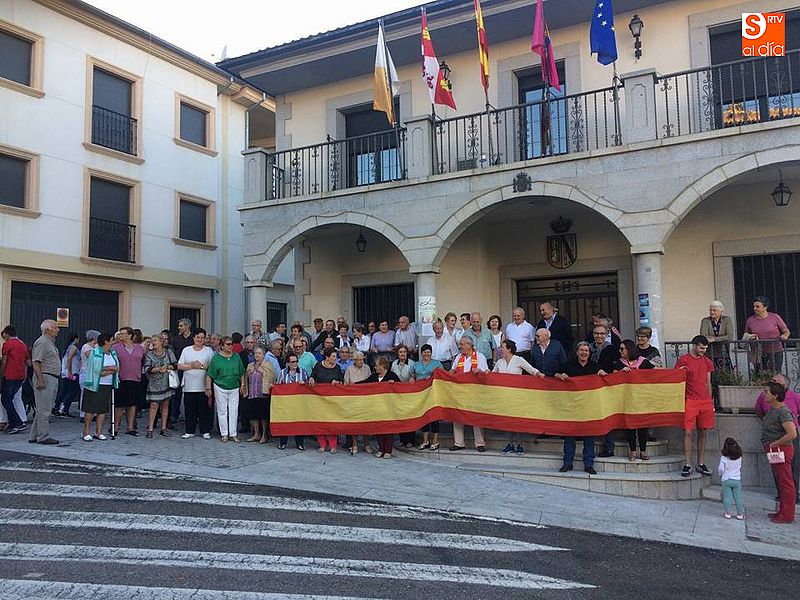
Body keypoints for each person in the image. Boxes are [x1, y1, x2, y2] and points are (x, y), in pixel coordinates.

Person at [555, 342, 604, 474]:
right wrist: (560, 376)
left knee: (589, 437)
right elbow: (555, 374)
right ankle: (567, 463)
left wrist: (602, 375)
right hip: (572, 407)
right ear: (577, 352)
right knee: (569, 436)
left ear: (589, 353)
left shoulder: (595, 367)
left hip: (589, 408)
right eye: (581, 350)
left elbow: (605, 379)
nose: (584, 353)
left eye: (586, 351)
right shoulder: (569, 365)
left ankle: (589, 464)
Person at [754, 374, 800, 503]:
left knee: (791, 470)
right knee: (778, 471)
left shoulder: (789, 403)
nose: (771, 383)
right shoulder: (765, 399)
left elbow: (791, 433)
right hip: (772, 440)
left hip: (784, 441)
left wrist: (776, 443)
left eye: (776, 381)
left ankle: (792, 498)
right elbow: (758, 410)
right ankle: (782, 495)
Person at [494, 339, 543, 455]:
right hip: (503, 396)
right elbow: (492, 375)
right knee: (506, 421)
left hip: (516, 396)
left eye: (503, 347)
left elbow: (531, 370)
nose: (501, 349)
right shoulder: (499, 362)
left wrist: (539, 374)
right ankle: (509, 443)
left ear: (509, 349)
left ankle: (520, 444)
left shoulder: (518, 360)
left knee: (516, 421)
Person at [676, 335, 715, 478]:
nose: (703, 351)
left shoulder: (707, 362)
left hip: (705, 400)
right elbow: (677, 379)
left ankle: (700, 462)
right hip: (690, 399)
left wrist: (710, 401)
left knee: (703, 432)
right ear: (694, 345)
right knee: (687, 432)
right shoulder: (684, 360)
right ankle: (687, 463)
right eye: (701, 348)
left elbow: (708, 382)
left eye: (705, 348)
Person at [760, 381, 798, 523]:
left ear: (775, 396)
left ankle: (787, 515)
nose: (764, 394)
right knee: (780, 480)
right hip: (774, 449)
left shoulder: (783, 411)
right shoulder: (773, 409)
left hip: (781, 449)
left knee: (786, 481)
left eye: (767, 392)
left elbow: (792, 433)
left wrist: (775, 444)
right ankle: (782, 511)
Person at [613, 339, 655, 461]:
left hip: (641, 399)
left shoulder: (643, 362)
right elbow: (612, 380)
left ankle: (643, 451)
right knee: (630, 426)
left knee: (642, 426)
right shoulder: (619, 364)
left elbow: (655, 375)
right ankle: (633, 451)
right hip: (626, 400)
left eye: (622, 349)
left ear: (629, 349)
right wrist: (621, 373)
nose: (620, 351)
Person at [449, 336, 488, 452]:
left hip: (474, 392)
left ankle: (480, 443)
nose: (460, 346)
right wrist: (445, 374)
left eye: (462, 344)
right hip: (460, 391)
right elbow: (453, 370)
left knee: (476, 416)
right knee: (457, 415)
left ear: (469, 345)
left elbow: (486, 373)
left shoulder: (480, 356)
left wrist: (478, 372)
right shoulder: (458, 357)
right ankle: (459, 443)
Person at [206, 336, 245, 443]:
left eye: (231, 344)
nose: (230, 346)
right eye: (228, 344)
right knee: (222, 410)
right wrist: (208, 387)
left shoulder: (236, 357)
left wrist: (242, 384)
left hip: (234, 387)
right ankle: (224, 434)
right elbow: (210, 374)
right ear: (222, 346)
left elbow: (241, 372)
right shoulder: (216, 358)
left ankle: (233, 433)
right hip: (220, 386)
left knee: (234, 410)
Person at [358, 357, 400, 458]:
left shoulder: (392, 375)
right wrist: (349, 385)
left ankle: (388, 451)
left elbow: (401, 387)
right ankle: (381, 449)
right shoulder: (373, 377)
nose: (375, 367)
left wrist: (394, 384)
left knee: (388, 430)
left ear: (382, 366)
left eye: (376, 365)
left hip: (388, 408)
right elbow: (363, 384)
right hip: (376, 407)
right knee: (379, 429)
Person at [178, 328, 215, 440]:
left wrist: (202, 367)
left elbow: (212, 366)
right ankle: (190, 430)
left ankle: (205, 430)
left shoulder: (208, 351)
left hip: (203, 385)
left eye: (202, 338)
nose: (200, 339)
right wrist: (191, 366)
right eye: (198, 337)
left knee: (204, 409)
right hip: (189, 385)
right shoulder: (186, 350)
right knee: (190, 409)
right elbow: (180, 365)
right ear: (194, 338)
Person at [81, 332, 118, 442]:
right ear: (106, 341)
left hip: (107, 384)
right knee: (91, 409)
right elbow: (97, 370)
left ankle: (98, 431)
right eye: (112, 339)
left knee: (102, 410)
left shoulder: (112, 353)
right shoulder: (95, 352)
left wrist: (108, 369)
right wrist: (110, 369)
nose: (113, 342)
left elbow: (117, 367)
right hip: (95, 384)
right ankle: (86, 431)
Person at [29, 319, 61, 445]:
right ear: (48, 329)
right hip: (45, 377)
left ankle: (34, 435)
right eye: (55, 327)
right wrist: (40, 379)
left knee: (44, 407)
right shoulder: (42, 342)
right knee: (44, 409)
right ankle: (43, 436)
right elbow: (36, 361)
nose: (58, 330)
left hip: (51, 377)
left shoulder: (49, 342)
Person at [110, 326, 145, 436]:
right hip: (121, 378)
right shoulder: (115, 347)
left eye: (124, 334)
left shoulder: (139, 348)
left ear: (130, 335)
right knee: (119, 405)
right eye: (120, 334)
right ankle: (115, 427)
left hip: (135, 378)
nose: (122, 336)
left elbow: (143, 360)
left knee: (132, 404)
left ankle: (130, 427)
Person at [309, 347, 343, 453]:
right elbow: (312, 377)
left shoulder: (337, 367)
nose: (335, 358)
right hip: (319, 399)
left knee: (332, 422)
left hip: (332, 400)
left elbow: (342, 382)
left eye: (335, 356)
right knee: (321, 422)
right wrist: (311, 379)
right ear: (327, 357)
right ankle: (322, 444)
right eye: (333, 356)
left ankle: (333, 445)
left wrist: (337, 382)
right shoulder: (318, 365)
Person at [744, 296, 790, 373]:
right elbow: (746, 333)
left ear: (765, 307)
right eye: (754, 306)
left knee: (775, 375)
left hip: (775, 351)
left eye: (757, 306)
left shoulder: (775, 317)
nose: (755, 308)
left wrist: (785, 336)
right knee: (760, 375)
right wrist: (750, 336)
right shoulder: (750, 320)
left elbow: (785, 330)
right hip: (759, 352)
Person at [143, 334, 176, 438]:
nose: (153, 342)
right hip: (154, 383)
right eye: (152, 340)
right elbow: (146, 368)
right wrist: (157, 369)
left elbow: (175, 364)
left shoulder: (168, 352)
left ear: (161, 341)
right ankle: (150, 428)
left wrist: (168, 367)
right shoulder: (150, 354)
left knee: (165, 405)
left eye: (155, 340)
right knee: (153, 405)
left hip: (166, 382)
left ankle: (163, 428)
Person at [411, 344, 443, 450]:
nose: (426, 354)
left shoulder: (437, 363)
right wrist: (412, 379)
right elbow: (412, 376)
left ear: (431, 352)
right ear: (421, 353)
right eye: (424, 352)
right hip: (421, 394)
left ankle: (435, 441)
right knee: (424, 416)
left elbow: (442, 375)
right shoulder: (416, 364)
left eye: (428, 352)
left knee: (434, 416)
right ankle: (425, 441)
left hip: (433, 392)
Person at [241, 346, 275, 444]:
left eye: (259, 353)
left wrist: (262, 371)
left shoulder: (268, 365)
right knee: (253, 415)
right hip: (252, 393)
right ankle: (256, 434)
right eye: (256, 353)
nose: (257, 355)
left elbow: (272, 377)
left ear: (264, 355)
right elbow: (245, 377)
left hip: (263, 394)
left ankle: (264, 434)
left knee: (263, 415)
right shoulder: (250, 365)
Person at [0, 325, 30, 434]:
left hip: (9, 375)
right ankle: (13, 423)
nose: (5, 338)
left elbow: (4, 361)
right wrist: (25, 374)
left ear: (7, 333)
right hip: (20, 376)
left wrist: (1, 374)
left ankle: (17, 422)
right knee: (10, 398)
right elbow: (28, 362)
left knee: (5, 399)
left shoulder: (7, 344)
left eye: (5, 336)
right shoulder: (23, 345)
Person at [275, 354, 308, 450]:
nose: (295, 364)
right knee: (285, 422)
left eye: (296, 361)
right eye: (293, 362)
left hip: (299, 403)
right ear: (288, 363)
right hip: (286, 403)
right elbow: (279, 386)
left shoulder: (303, 372)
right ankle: (283, 442)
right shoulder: (282, 373)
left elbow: (309, 388)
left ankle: (299, 443)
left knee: (299, 423)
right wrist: (273, 387)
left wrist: (304, 384)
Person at [170, 318, 194, 426]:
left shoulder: (194, 338)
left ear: (187, 326)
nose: (179, 328)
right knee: (177, 393)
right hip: (180, 369)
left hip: (193, 369)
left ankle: (193, 415)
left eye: (181, 326)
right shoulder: (176, 339)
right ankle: (174, 415)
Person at [392, 345, 416, 448]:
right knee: (400, 417)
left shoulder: (412, 364)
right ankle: (402, 439)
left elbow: (413, 377)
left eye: (404, 352)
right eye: (400, 352)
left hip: (408, 394)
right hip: (398, 394)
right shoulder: (394, 363)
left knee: (409, 417)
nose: (402, 354)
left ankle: (410, 440)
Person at [699, 301, 734, 371]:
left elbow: (729, 336)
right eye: (710, 310)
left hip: (723, 353)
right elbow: (703, 336)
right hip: (709, 353)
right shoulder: (705, 321)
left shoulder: (727, 320)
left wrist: (714, 339)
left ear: (721, 311)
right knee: (710, 373)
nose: (712, 312)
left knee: (724, 374)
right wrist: (721, 338)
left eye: (714, 310)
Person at [53, 332, 80, 418]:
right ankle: (64, 409)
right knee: (72, 391)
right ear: (76, 338)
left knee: (64, 391)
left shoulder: (66, 348)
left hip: (65, 373)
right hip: (72, 372)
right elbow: (69, 360)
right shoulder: (73, 348)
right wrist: (70, 372)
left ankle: (56, 408)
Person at [718, 437, 744, 520]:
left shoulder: (723, 458)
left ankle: (727, 513)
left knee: (727, 497)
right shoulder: (739, 457)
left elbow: (721, 469)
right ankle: (740, 514)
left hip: (726, 479)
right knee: (738, 497)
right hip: (736, 479)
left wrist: (721, 474)